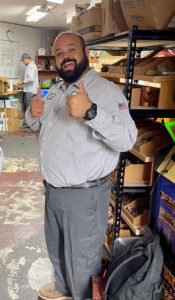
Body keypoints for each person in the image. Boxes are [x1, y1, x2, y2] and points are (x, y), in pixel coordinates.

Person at [25, 31, 138, 300]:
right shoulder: (55, 90)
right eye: (59, 53)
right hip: (54, 191)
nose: (65, 57)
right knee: (58, 251)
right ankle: (64, 291)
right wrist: (32, 113)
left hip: (83, 196)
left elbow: (127, 139)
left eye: (71, 49)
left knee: (83, 263)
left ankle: (81, 295)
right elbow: (36, 125)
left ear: (86, 52)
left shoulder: (106, 92)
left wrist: (91, 111)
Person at [18, 53, 39, 127]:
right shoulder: (30, 66)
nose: (23, 62)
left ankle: (28, 124)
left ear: (27, 59)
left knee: (29, 108)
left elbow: (31, 79)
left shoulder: (32, 67)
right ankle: (30, 123)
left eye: (23, 60)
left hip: (30, 90)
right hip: (30, 89)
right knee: (30, 107)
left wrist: (22, 82)